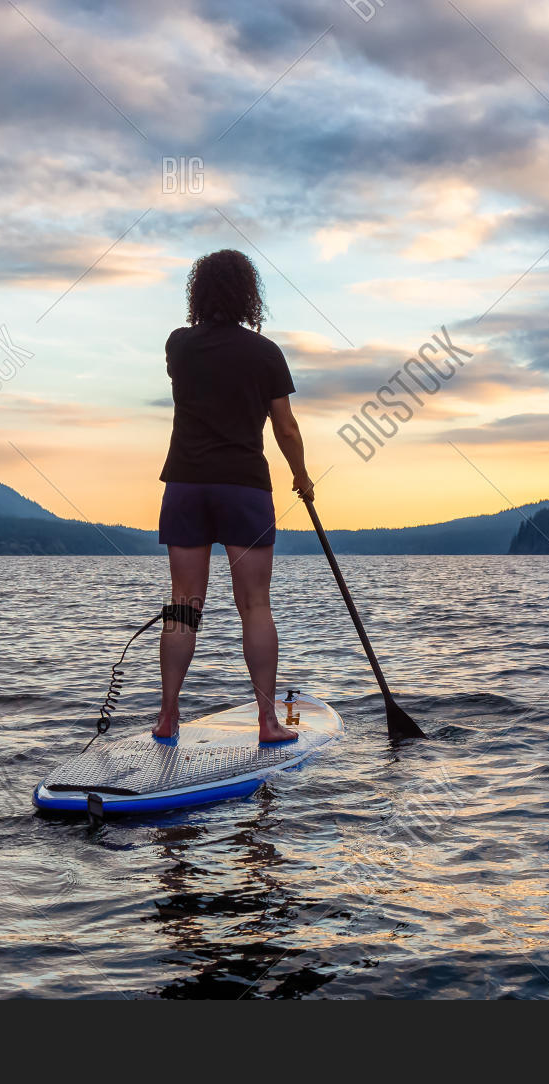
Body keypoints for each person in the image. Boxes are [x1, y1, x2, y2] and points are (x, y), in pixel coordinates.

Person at [154, 249, 315, 744]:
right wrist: (302, 476)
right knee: (255, 605)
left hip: (186, 485)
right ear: (249, 295)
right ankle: (268, 722)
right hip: (243, 486)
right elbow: (285, 427)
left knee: (184, 604)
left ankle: (167, 716)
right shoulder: (265, 353)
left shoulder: (179, 345)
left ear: (198, 292)